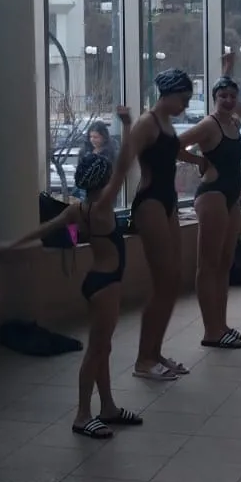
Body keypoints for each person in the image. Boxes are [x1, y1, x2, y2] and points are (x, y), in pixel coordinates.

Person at [4, 152, 147, 432]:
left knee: (103, 347)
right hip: (106, 284)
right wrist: (131, 137)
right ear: (105, 179)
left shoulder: (78, 210)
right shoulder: (102, 207)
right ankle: (82, 415)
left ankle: (108, 407)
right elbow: (123, 166)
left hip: (97, 281)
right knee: (96, 350)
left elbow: (44, 228)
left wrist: (11, 244)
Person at [98, 68, 205, 380]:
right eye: (183, 99)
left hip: (168, 201)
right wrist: (106, 202)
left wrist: (199, 161)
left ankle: (155, 352)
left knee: (173, 280)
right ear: (167, 94)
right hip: (150, 203)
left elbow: (173, 152)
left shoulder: (166, 122)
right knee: (163, 281)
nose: (186, 106)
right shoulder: (148, 122)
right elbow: (124, 163)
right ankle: (144, 360)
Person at [180, 60, 241, 348]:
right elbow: (174, 145)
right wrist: (198, 161)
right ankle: (210, 331)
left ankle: (221, 325)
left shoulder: (233, 123)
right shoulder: (208, 125)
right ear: (214, 98)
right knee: (208, 264)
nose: (228, 100)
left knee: (225, 263)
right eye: (223, 96)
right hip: (212, 194)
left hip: (232, 195)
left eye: (233, 96)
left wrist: (227, 68)